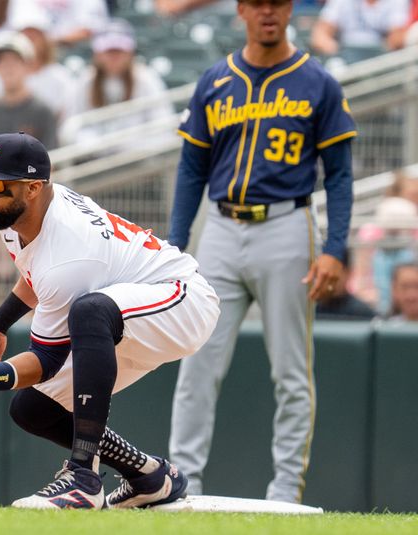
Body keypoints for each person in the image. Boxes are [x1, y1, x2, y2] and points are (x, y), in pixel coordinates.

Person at [0, 132, 220, 509]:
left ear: (33, 188)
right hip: (123, 313)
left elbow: (47, 361)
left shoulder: (69, 251)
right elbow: (36, 275)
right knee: (33, 409)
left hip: (182, 299)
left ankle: (83, 477)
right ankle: (149, 476)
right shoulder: (22, 214)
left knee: (88, 312)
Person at [167, 0, 357, 503]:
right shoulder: (215, 80)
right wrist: (176, 243)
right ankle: (182, 483)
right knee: (197, 364)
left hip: (287, 225)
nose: (268, 12)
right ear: (242, 10)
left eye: (277, 2)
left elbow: (338, 174)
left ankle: (285, 491)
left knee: (291, 370)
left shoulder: (318, 81)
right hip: (222, 229)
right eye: (258, 2)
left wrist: (335, 247)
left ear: (290, 9)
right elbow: (191, 169)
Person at [62, 18, 174, 146]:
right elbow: (71, 127)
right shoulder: (85, 81)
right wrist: (93, 144)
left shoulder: (147, 79)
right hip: (94, 159)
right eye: (109, 52)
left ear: (130, 53)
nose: (114, 57)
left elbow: (163, 126)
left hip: (139, 159)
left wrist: (131, 144)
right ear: (97, 54)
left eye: (119, 52)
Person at [0, 33, 58, 165]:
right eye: (2, 62)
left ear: (28, 66)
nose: (8, 68)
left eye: (14, 61)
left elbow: (50, 163)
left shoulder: (42, 112)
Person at [310, 0, 410, 56]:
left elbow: (397, 38)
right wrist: (335, 50)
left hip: (380, 58)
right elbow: (320, 33)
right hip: (346, 55)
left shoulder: (397, 2)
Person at [315, 249, 377, 320]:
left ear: (349, 272)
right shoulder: (311, 312)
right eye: (323, 274)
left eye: (334, 272)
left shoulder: (362, 314)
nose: (329, 278)